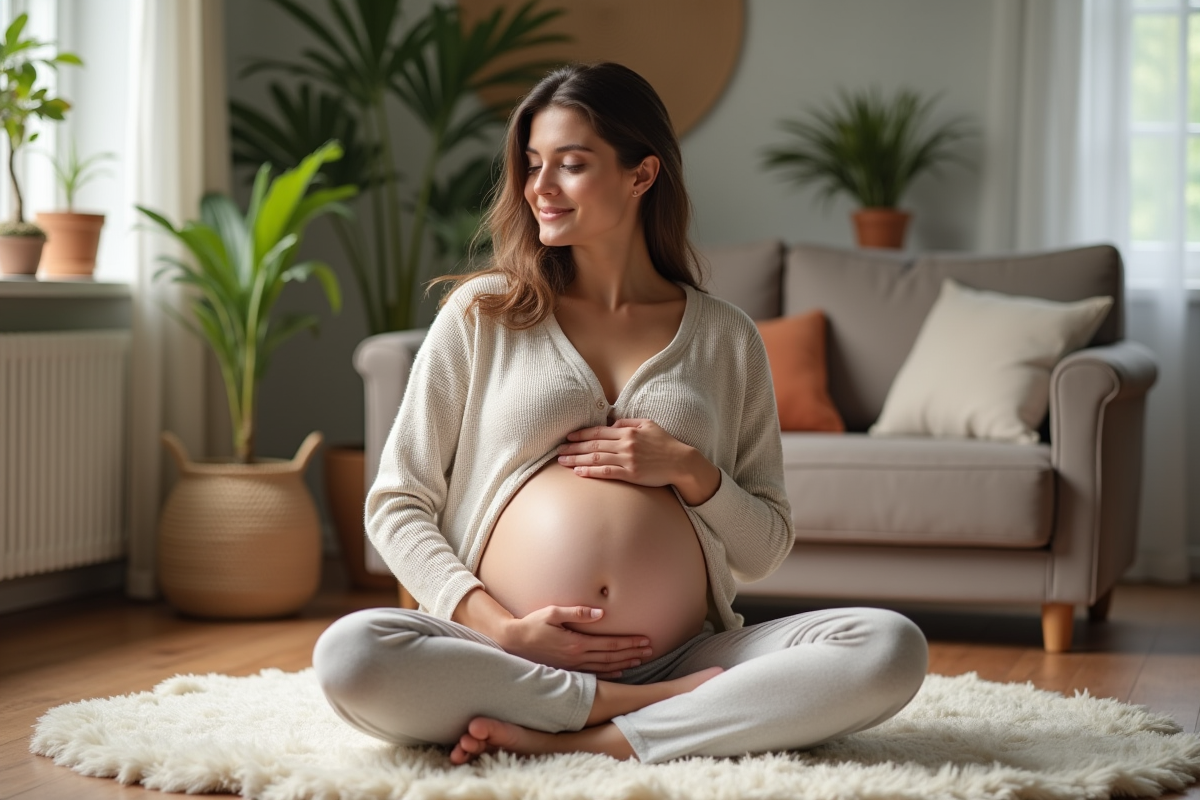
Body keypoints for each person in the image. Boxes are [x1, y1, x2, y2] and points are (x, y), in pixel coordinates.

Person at [313, 62, 928, 766]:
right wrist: (502, 630)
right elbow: (396, 503)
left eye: (571, 165)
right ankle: (640, 716)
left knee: (887, 646)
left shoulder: (726, 338)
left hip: (681, 656)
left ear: (641, 175)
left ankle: (597, 736)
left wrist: (691, 471)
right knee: (352, 654)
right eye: (533, 164)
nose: (539, 188)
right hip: (503, 653)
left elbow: (764, 549)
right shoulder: (483, 314)